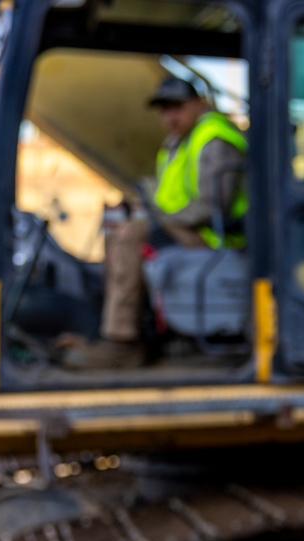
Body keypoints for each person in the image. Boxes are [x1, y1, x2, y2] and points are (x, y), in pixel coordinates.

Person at [62, 76, 248, 368]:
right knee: (117, 230)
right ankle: (124, 329)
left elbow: (214, 206)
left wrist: (157, 218)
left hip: (216, 236)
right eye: (164, 110)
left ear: (199, 103)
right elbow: (170, 199)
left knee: (133, 236)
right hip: (189, 230)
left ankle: (122, 342)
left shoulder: (213, 139)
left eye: (177, 107)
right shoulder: (177, 144)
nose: (169, 116)